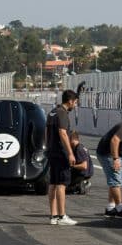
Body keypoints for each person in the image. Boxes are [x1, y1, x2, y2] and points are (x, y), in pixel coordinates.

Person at [45, 90, 78, 226]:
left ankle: (53, 216)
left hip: (52, 151)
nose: (75, 105)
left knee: (53, 183)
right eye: (75, 102)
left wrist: (47, 147)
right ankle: (62, 215)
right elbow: (63, 133)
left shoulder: (52, 112)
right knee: (61, 184)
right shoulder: (62, 113)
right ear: (70, 101)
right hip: (61, 152)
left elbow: (46, 132)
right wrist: (70, 153)